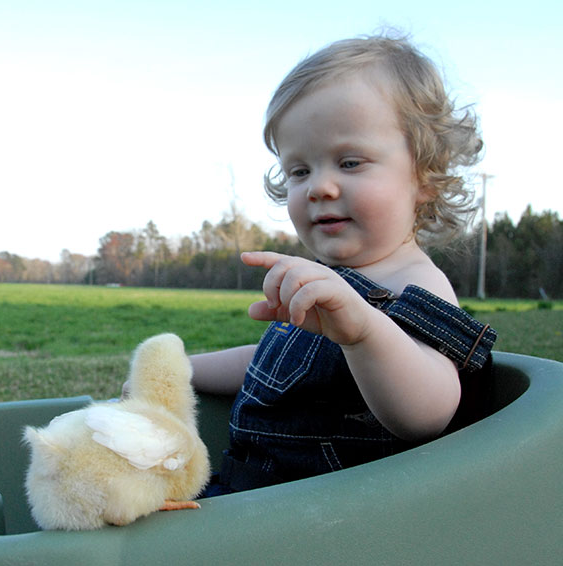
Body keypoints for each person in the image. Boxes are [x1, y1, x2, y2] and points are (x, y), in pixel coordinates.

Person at [193, 33, 497, 496]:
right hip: (247, 496)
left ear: (425, 177)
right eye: (300, 170)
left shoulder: (416, 285)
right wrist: (182, 366)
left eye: (350, 162)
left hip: (325, 521)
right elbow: (269, 362)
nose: (320, 187)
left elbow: (429, 412)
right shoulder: (328, 282)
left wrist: (363, 331)